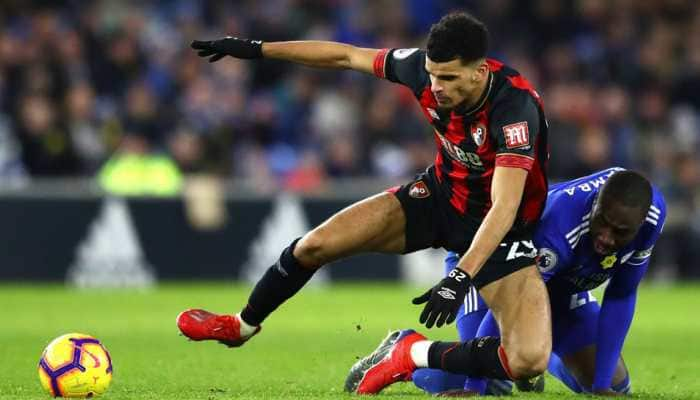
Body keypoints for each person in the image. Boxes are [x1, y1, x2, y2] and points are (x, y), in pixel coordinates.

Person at [177, 12, 552, 394]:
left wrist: (459, 276)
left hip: (499, 230)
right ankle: (241, 325)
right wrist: (258, 50)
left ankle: (410, 352)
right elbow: (345, 56)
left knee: (528, 362)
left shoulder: (513, 108)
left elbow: (504, 205)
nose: (436, 87)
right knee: (315, 245)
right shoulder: (419, 70)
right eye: (433, 74)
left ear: (479, 72)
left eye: (449, 78)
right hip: (439, 197)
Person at [375, 168, 665, 396]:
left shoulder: (651, 217)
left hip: (559, 288)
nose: (606, 237)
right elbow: (507, 302)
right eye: (602, 221)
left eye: (620, 232)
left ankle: (535, 361)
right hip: (490, 269)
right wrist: (474, 387)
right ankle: (406, 351)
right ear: (595, 203)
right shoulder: (558, 230)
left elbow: (621, 295)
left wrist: (602, 385)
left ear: (639, 225)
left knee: (615, 385)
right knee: (490, 381)